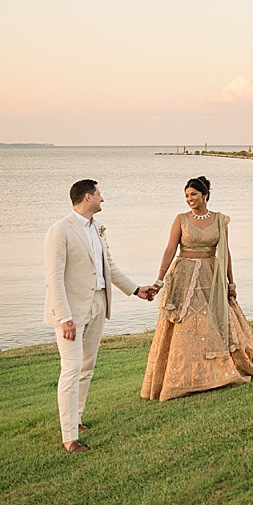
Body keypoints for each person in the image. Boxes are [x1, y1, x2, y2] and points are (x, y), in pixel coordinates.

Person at [43, 179, 157, 453]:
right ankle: (69, 438)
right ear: (87, 197)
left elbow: (110, 268)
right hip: (71, 310)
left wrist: (137, 290)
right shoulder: (60, 231)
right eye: (99, 194)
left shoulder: (98, 230)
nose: (102, 198)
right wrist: (64, 318)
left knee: (87, 367)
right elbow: (54, 278)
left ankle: (78, 418)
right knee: (70, 371)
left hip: (97, 305)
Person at [141, 175, 253, 400]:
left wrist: (231, 283)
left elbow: (225, 253)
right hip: (183, 276)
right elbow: (170, 250)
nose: (189, 199)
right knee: (185, 324)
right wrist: (159, 281)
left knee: (214, 322)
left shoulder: (220, 220)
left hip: (211, 276)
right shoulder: (180, 219)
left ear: (205, 195)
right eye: (187, 196)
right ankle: (181, 378)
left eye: (194, 195)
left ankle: (219, 373)